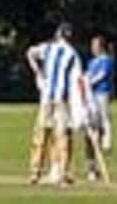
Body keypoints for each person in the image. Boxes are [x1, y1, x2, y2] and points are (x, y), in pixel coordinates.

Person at [24, 23, 86, 187]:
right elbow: (78, 80)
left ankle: (35, 172)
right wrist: (81, 106)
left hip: (47, 98)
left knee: (41, 134)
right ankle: (63, 174)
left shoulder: (49, 48)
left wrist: (38, 72)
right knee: (62, 136)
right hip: (61, 100)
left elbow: (30, 52)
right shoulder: (72, 54)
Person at [83, 34, 115, 179]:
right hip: (91, 95)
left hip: (102, 93)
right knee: (92, 125)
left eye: (95, 46)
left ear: (101, 47)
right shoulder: (92, 62)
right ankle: (92, 167)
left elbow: (102, 75)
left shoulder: (106, 60)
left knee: (105, 117)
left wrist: (90, 82)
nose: (93, 48)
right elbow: (88, 75)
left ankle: (107, 140)